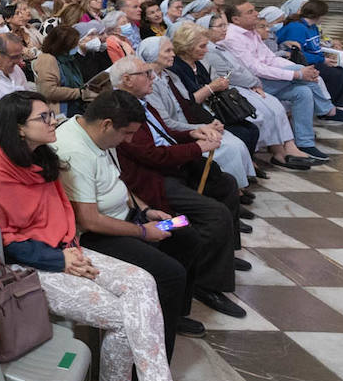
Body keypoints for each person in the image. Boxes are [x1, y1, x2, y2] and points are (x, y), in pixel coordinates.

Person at [0, 92, 221, 381]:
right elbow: (1, 243)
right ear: (19, 129)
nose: (54, 120)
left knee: (143, 281)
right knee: (124, 315)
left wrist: (70, 248)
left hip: (64, 249)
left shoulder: (38, 157)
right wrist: (61, 260)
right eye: (44, 117)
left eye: (51, 113)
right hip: (26, 267)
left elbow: (59, 215)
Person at [51, 91, 205, 348]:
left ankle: (171, 312)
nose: (129, 140)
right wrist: (143, 231)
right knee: (170, 273)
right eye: (127, 133)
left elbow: (117, 181)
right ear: (107, 124)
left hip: (129, 216)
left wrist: (145, 210)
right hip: (97, 235)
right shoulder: (75, 151)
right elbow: (89, 221)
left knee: (186, 232)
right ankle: (147, 359)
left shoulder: (97, 136)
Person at [106, 65, 245, 319]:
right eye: (146, 74)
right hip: (153, 178)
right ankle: (208, 284)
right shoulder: (120, 109)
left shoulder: (142, 101)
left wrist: (193, 132)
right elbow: (150, 154)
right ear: (127, 79)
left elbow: (164, 134)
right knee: (215, 214)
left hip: (171, 165)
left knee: (225, 183)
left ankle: (221, 255)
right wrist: (197, 146)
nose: (153, 78)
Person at [221, 1, 343, 162]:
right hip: (252, 83)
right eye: (250, 12)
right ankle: (328, 111)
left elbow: (271, 59)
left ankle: (305, 143)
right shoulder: (233, 37)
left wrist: (298, 68)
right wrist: (297, 74)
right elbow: (255, 69)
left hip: (268, 78)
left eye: (255, 10)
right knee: (307, 77)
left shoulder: (250, 33)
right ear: (236, 19)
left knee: (303, 92)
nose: (256, 14)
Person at [175, 21, 313, 170]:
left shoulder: (200, 63)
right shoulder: (178, 67)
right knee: (243, 130)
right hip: (198, 110)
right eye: (202, 46)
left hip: (214, 103)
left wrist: (223, 84)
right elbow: (189, 100)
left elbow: (240, 69)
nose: (206, 50)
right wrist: (213, 87)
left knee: (252, 127)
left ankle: (251, 164)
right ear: (188, 47)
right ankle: (239, 173)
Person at [138, 37, 256, 189]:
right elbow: (166, 122)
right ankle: (227, 188)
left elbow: (188, 105)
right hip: (174, 133)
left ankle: (234, 186)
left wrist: (209, 123)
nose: (173, 54)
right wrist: (199, 128)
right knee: (228, 147)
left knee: (234, 141)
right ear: (152, 55)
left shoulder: (170, 75)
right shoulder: (148, 84)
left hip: (188, 125)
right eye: (167, 51)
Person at [278, 0, 343, 110]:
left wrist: (325, 56)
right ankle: (329, 110)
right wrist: (322, 60)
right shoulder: (297, 28)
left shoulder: (313, 27)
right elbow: (295, 53)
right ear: (318, 15)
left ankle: (340, 106)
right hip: (303, 63)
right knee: (335, 75)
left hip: (314, 60)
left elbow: (315, 48)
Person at [33, 24, 100, 117]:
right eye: (73, 45)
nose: (76, 46)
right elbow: (49, 91)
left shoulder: (69, 58)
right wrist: (79, 93)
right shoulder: (48, 59)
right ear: (62, 45)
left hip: (78, 102)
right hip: (63, 107)